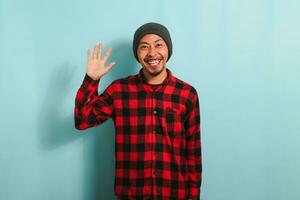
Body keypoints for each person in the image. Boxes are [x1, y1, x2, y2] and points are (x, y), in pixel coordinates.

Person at [74, 22, 202, 200]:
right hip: (131, 194)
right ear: (137, 54)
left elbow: (193, 150)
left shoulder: (187, 94)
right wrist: (91, 80)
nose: (152, 53)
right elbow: (82, 120)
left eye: (158, 44)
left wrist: (194, 196)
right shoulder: (119, 90)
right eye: (144, 47)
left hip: (174, 193)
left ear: (168, 50)